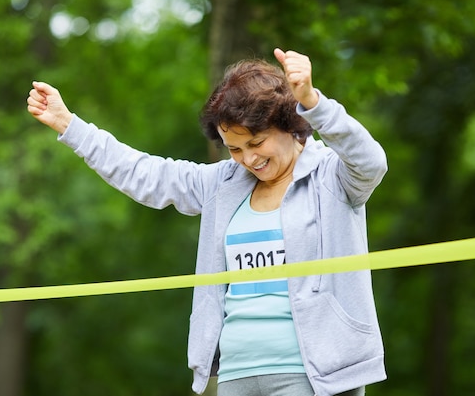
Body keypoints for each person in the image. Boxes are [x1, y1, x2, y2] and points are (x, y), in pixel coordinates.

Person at [27, 48, 388, 396]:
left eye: (256, 143)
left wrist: (313, 103)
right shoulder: (223, 185)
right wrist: (68, 125)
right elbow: (146, 174)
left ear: (289, 125)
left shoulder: (333, 178)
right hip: (237, 374)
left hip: (316, 376)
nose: (248, 159)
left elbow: (370, 161)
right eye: (234, 149)